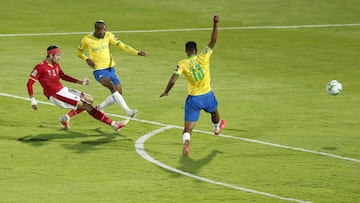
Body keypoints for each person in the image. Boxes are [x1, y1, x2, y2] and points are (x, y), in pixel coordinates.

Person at [160, 15, 226, 156]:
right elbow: (213, 41)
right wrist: (215, 23)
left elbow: (173, 80)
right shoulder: (204, 56)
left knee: (187, 129)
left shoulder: (182, 63)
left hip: (193, 99)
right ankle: (216, 129)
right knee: (214, 112)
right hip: (207, 95)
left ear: (186, 51)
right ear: (196, 50)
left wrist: (166, 91)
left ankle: (186, 142)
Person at [26, 45, 129, 131]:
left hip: (63, 89)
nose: (59, 57)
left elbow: (63, 76)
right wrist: (33, 100)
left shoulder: (56, 65)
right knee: (87, 106)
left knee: (90, 99)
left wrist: (80, 82)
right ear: (51, 55)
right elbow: (29, 83)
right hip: (56, 95)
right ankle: (114, 124)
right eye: (58, 55)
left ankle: (65, 118)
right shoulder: (40, 67)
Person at [73, 19, 146, 123]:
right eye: (102, 31)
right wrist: (87, 59)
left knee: (118, 94)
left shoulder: (109, 35)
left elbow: (123, 46)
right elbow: (78, 52)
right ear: (96, 30)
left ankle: (100, 107)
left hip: (111, 69)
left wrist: (137, 52)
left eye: (105, 30)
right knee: (111, 86)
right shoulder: (87, 39)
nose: (104, 32)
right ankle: (128, 111)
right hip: (99, 70)